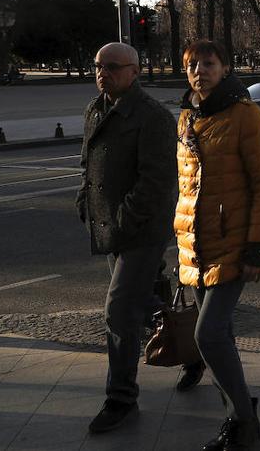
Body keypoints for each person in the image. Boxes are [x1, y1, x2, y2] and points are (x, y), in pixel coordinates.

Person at [175, 40, 260, 450]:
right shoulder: (185, 118)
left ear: (226, 67)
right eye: (193, 65)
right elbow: (186, 188)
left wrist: (257, 248)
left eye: (210, 63)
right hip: (194, 245)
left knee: (209, 336)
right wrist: (178, 239)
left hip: (234, 243)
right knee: (221, 339)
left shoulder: (245, 116)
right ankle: (235, 418)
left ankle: (245, 421)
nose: (201, 70)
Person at [77, 42, 178, 434]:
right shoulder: (95, 108)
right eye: (99, 65)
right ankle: (193, 343)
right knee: (139, 304)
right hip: (107, 226)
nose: (104, 73)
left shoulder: (152, 116)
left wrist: (123, 219)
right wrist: (84, 201)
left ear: (135, 71)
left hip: (141, 230)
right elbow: (88, 162)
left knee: (118, 311)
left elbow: (157, 181)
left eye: (114, 67)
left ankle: (121, 398)